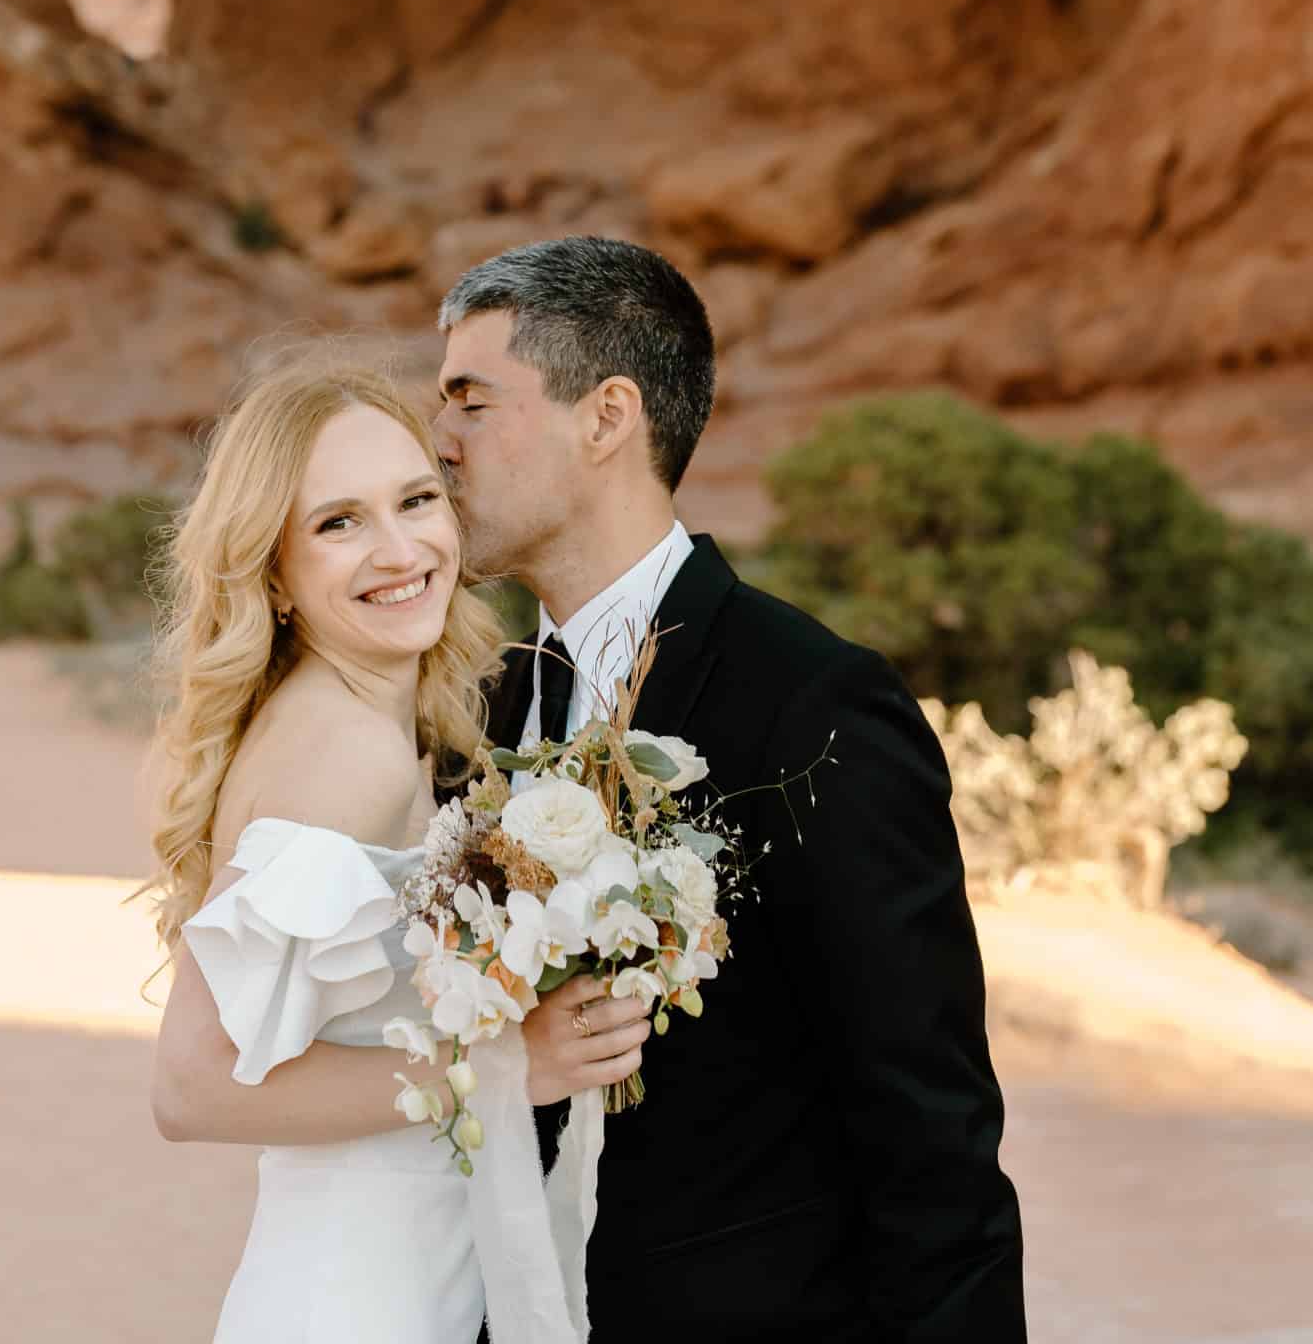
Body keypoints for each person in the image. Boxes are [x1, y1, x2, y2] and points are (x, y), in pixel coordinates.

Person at [434, 236, 1028, 1344]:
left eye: (472, 400)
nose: (441, 444)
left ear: (607, 416)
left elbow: (930, 1136)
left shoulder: (815, 707)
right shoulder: (479, 715)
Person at [146, 357, 650, 1344]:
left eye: (416, 499)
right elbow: (191, 1084)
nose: (398, 547)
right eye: (339, 522)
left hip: (390, 1280)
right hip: (360, 1301)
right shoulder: (346, 756)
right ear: (275, 572)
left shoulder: (365, 722)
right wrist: (509, 1060)